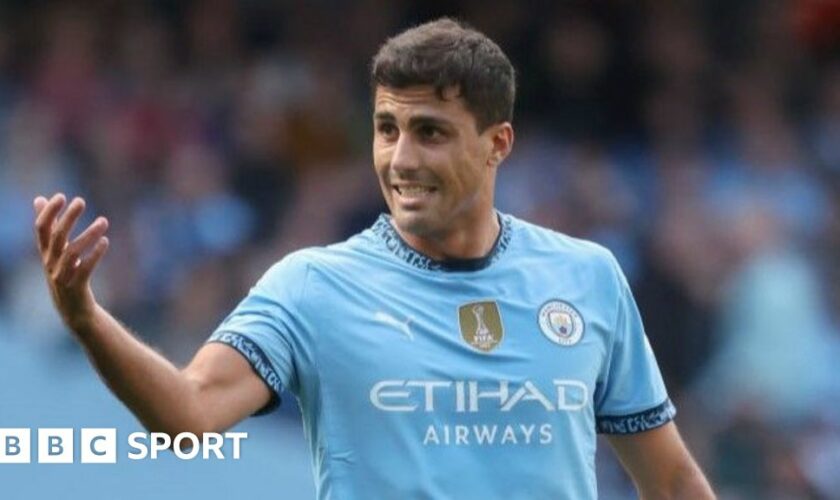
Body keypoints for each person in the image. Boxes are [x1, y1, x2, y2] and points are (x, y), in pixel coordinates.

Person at [33, 18, 714, 500]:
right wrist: (87, 317)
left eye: (431, 133)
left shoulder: (586, 277)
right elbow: (187, 416)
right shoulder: (312, 286)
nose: (401, 158)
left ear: (497, 143)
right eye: (387, 129)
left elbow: (674, 483)